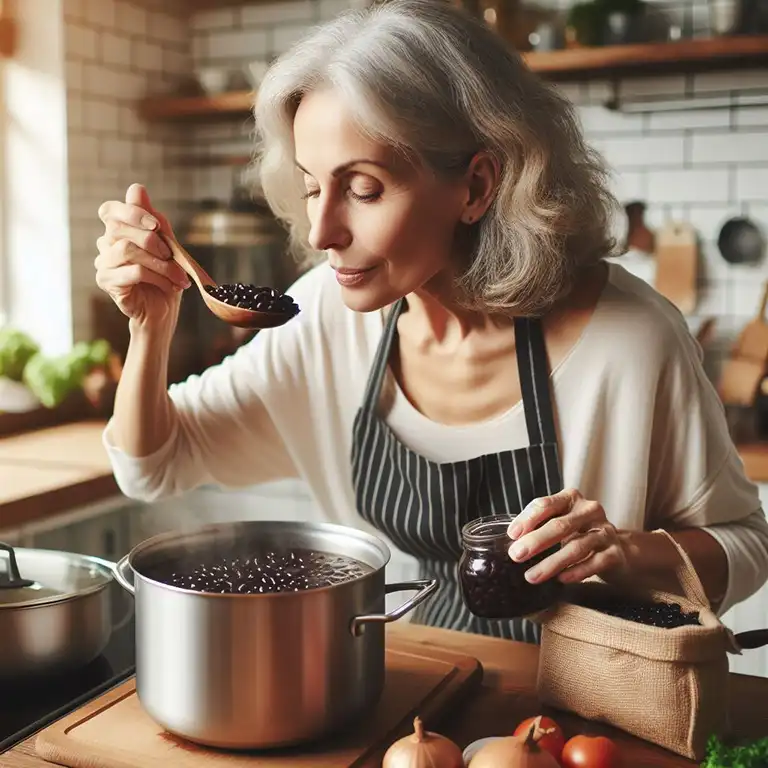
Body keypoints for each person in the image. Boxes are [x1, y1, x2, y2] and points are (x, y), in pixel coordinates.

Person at [94, 0, 768, 642]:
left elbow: (746, 547)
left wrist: (628, 552)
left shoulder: (630, 340)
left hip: (576, 731)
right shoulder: (329, 318)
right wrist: (149, 329)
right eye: (310, 186)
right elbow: (152, 465)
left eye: (363, 189)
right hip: (408, 706)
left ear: (475, 187)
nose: (323, 230)